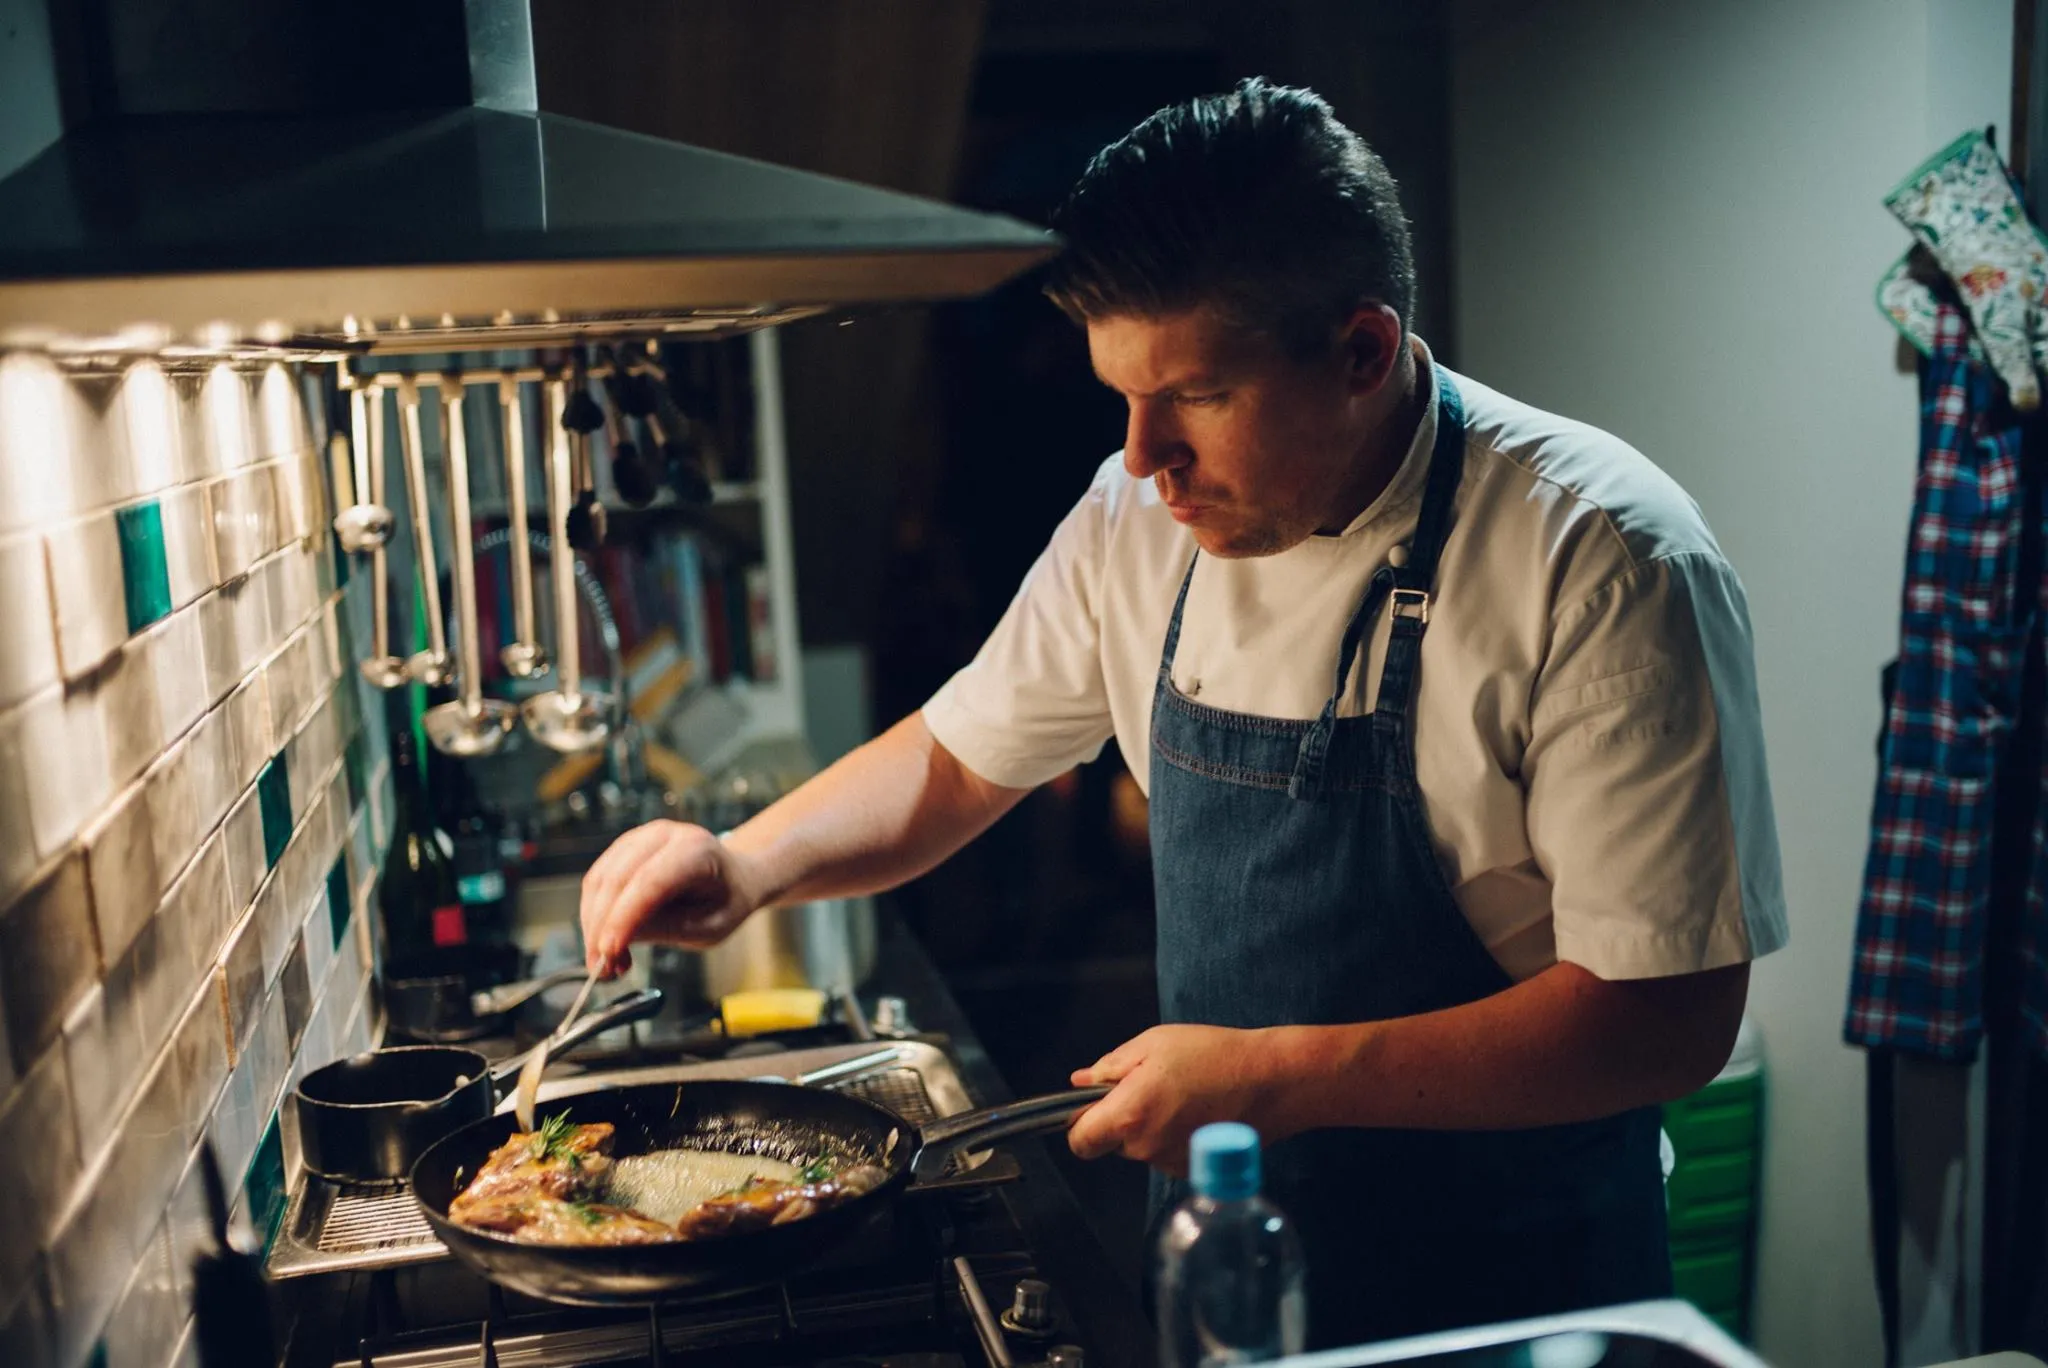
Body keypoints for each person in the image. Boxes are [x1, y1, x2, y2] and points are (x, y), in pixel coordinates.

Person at [577, 77, 1788, 1348]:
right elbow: (957, 759)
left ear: (1362, 351)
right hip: (1226, 1265)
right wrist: (743, 863)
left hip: (1515, 1290)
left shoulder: (1600, 558)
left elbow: (1665, 1016)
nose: (1143, 454)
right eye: (1120, 396)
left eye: (1195, 396)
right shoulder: (1132, 516)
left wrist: (1268, 1079)